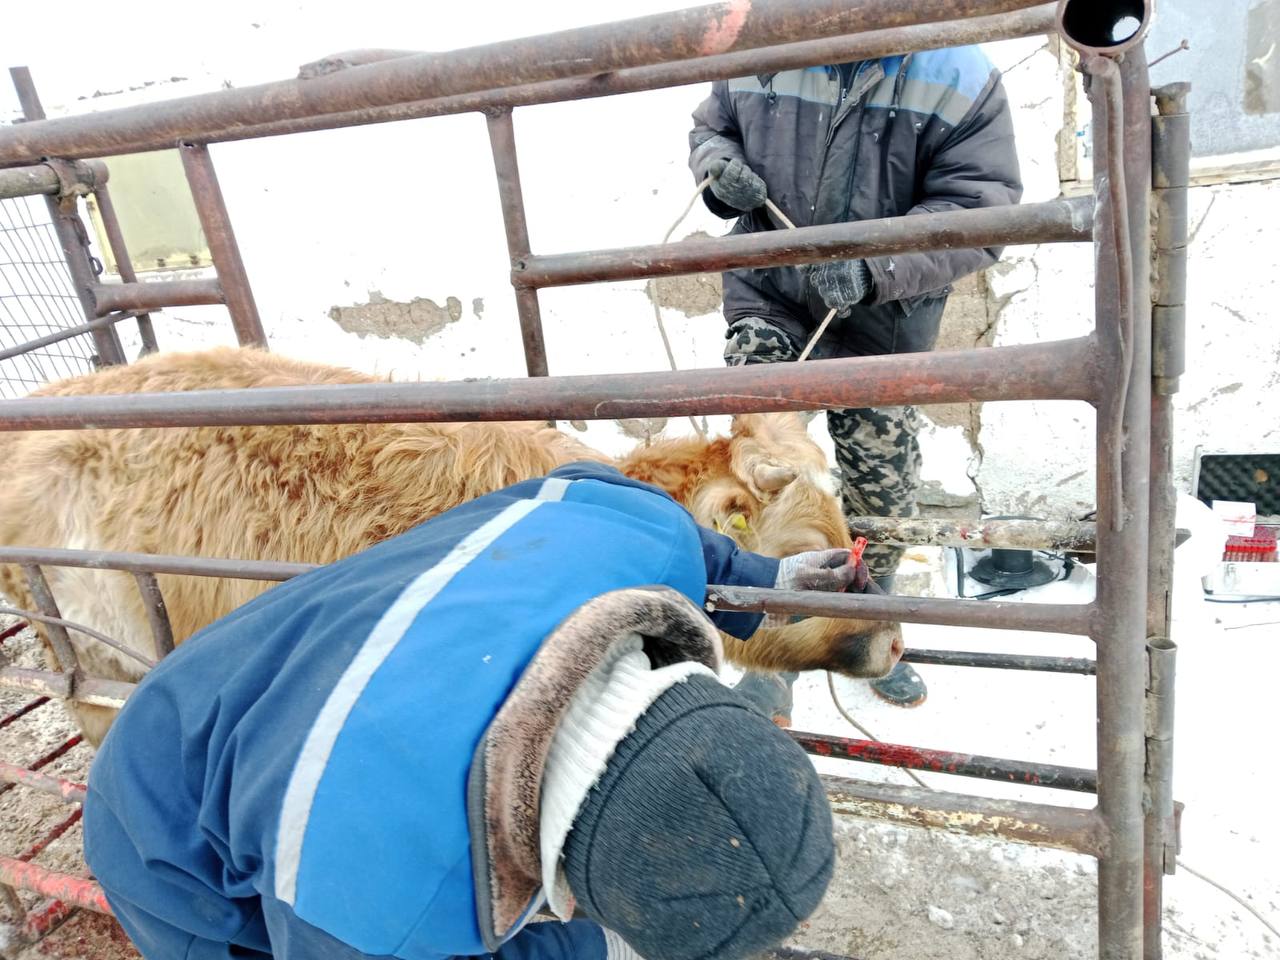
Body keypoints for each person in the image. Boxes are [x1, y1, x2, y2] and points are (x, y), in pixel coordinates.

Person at [84, 461, 872, 960]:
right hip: (159, 828)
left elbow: (614, 507)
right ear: (569, 892)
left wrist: (763, 576)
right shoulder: (374, 903)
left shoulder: (641, 532)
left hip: (260, 674)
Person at [688, 47, 1023, 712]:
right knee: (762, 472)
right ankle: (771, 639)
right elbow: (711, 127)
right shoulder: (768, 40)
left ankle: (873, 624)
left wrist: (878, 265)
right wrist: (718, 170)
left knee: (882, 489)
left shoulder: (960, 75)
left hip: (887, 323)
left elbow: (980, 208)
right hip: (772, 298)